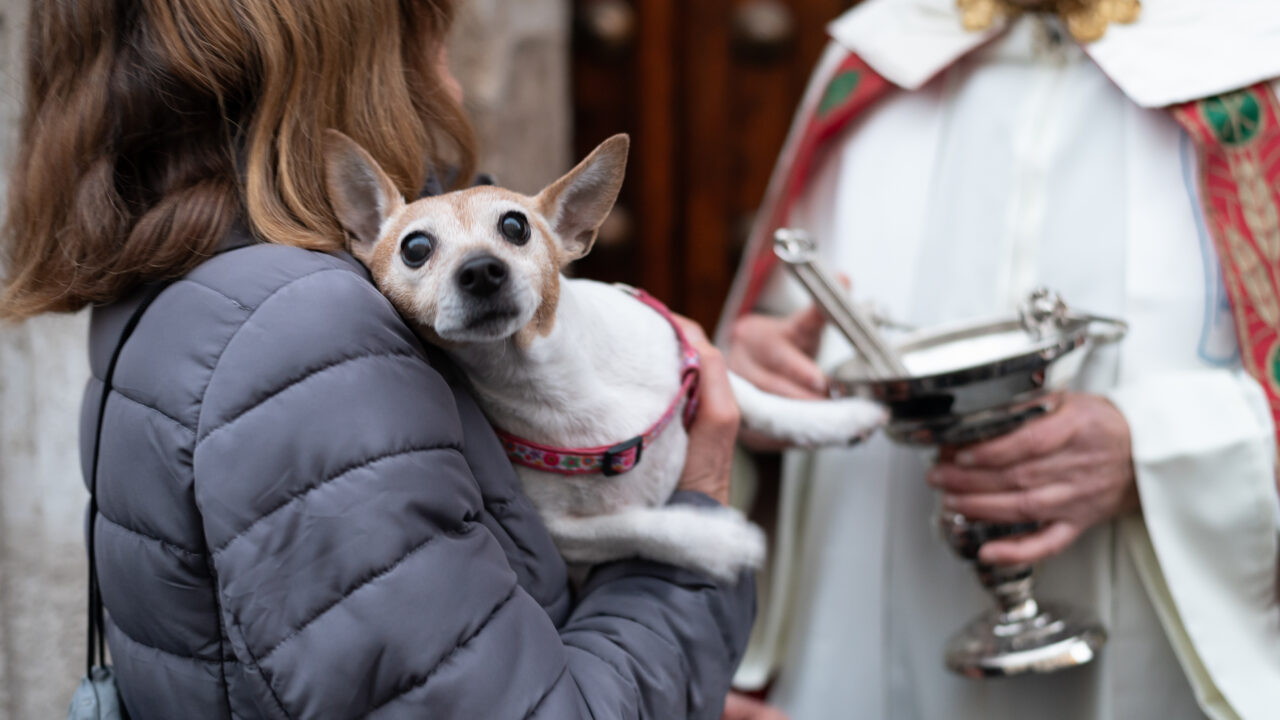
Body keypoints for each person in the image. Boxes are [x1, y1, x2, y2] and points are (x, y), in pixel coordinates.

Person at [0, 2, 755, 718]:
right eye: (428, 24)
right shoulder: (309, 338)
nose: (451, 71)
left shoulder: (183, 286)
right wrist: (698, 514)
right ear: (362, 55)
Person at [722, 0, 1280, 718]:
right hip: (868, 650)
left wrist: (1156, 452)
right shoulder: (882, 51)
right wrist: (755, 393)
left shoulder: (1250, 60)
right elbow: (767, 346)